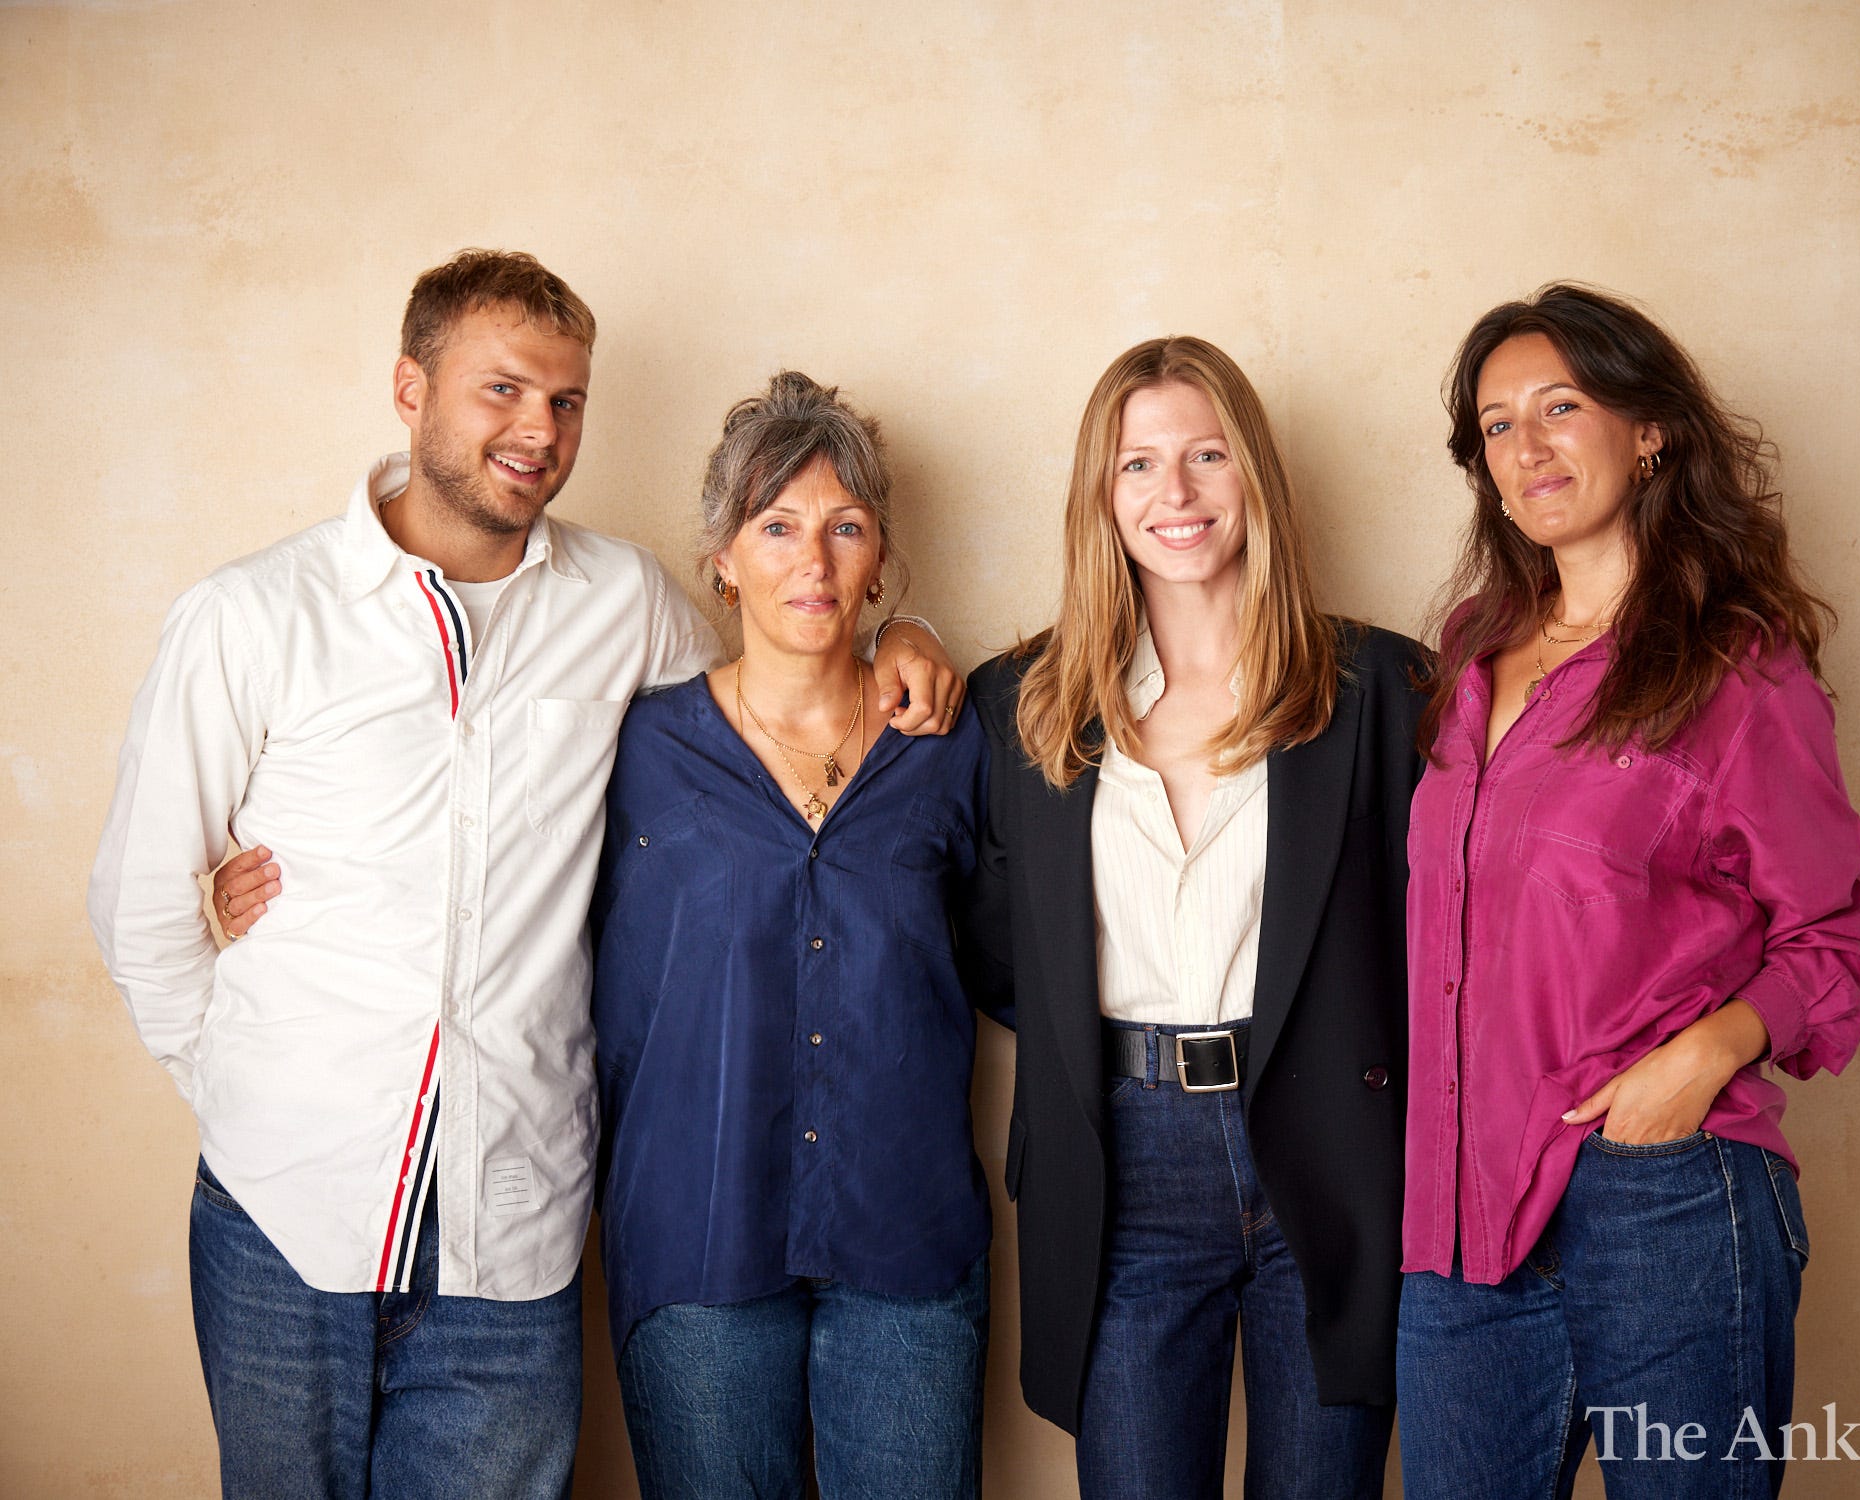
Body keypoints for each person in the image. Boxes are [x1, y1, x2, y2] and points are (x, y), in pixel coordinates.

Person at [87, 250, 959, 1500]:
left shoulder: (625, 604)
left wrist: (900, 636)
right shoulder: (253, 616)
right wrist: (245, 1093)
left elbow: (774, 685)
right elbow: (140, 905)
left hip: (514, 1232)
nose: (538, 430)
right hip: (283, 1216)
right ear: (410, 387)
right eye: (502, 390)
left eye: (565, 401)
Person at [1395, 283, 1860, 1499]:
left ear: (1649, 429)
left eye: (1560, 406)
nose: (1527, 446)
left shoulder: (1734, 667)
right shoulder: (1466, 654)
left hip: (1660, 1197)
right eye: (1497, 425)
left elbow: (1832, 940)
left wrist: (1697, 1061)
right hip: (1458, 1213)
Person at [961, 337, 1425, 1500]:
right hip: (1120, 1162)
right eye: (1137, 463)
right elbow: (998, 950)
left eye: (1206, 455)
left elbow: (1434, 938)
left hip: (1330, 1147)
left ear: (1251, 473)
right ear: (1100, 493)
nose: (1173, 491)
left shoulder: (1380, 691)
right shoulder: (1021, 705)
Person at [589, 371, 991, 1500]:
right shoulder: (637, 749)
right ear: (721, 556)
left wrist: (916, 637)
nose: (811, 561)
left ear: (880, 559)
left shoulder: (949, 743)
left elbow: (1018, 952)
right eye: (776, 526)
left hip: (906, 1238)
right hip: (697, 1236)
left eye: (844, 527)